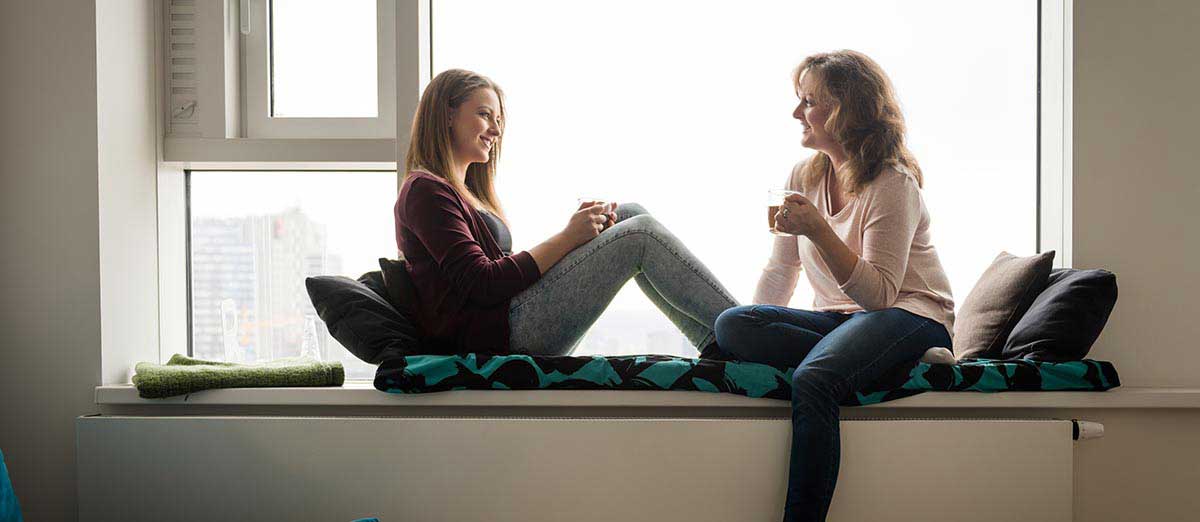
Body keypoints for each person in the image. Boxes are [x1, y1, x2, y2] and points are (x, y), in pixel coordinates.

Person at [713, 50, 956, 521]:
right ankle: (884, 363)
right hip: (842, 323)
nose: (796, 113)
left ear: (847, 109)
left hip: (910, 315)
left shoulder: (892, 182)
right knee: (734, 325)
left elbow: (880, 295)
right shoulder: (804, 176)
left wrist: (819, 230)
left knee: (815, 378)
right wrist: (741, 341)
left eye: (808, 102)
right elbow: (783, 270)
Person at [395, 68, 738, 356]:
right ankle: (753, 333)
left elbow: (501, 277)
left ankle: (717, 347)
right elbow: (484, 283)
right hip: (497, 337)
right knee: (641, 234)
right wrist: (567, 238)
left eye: (499, 120)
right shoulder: (426, 191)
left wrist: (578, 239)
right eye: (485, 114)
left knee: (628, 214)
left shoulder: (463, 192)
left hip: (508, 320)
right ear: (448, 114)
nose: (497, 131)